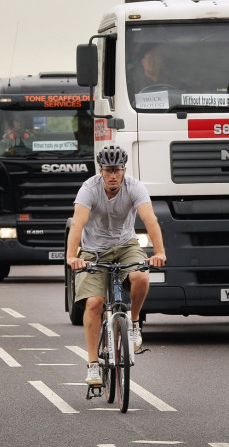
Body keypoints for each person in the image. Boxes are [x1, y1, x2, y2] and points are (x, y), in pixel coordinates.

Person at [66, 146, 167, 385]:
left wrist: (160, 252)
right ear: (101, 171)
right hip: (94, 250)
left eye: (118, 170)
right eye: (109, 170)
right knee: (94, 303)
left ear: (124, 170)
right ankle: (92, 365)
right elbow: (77, 225)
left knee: (141, 277)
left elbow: (150, 220)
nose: (113, 175)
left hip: (125, 245)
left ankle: (133, 323)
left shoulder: (135, 187)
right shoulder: (89, 189)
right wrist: (73, 257)